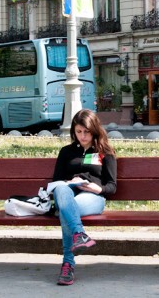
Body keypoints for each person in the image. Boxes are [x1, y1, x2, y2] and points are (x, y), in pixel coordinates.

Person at [51, 109, 117, 285]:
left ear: (94, 130)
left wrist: (98, 188)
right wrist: (71, 181)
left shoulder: (105, 152)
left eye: (86, 132)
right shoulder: (66, 152)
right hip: (68, 193)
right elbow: (56, 181)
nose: (82, 136)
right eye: (78, 132)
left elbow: (112, 186)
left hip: (92, 197)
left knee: (66, 211)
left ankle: (68, 264)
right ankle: (79, 235)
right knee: (62, 191)